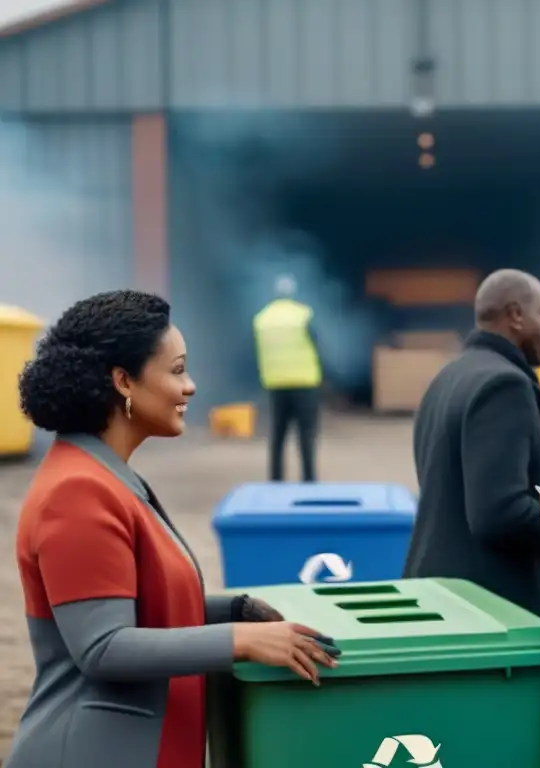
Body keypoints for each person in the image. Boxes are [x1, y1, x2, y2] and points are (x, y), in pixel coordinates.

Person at [8, 290, 338, 768]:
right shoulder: (76, 491)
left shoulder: (104, 474)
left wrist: (237, 611)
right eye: (177, 370)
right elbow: (104, 646)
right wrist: (242, 642)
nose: (191, 387)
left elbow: (142, 602)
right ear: (123, 380)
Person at [403, 269, 540, 618]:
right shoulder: (505, 386)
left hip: (437, 594)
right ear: (515, 316)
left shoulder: (448, 377)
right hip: (489, 609)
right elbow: (499, 515)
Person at [253, 274, 323, 482]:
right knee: (306, 435)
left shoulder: (262, 319)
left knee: (277, 436)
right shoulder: (303, 315)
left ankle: (276, 480)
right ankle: (309, 479)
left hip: (276, 383)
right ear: (293, 293)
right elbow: (317, 344)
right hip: (304, 382)